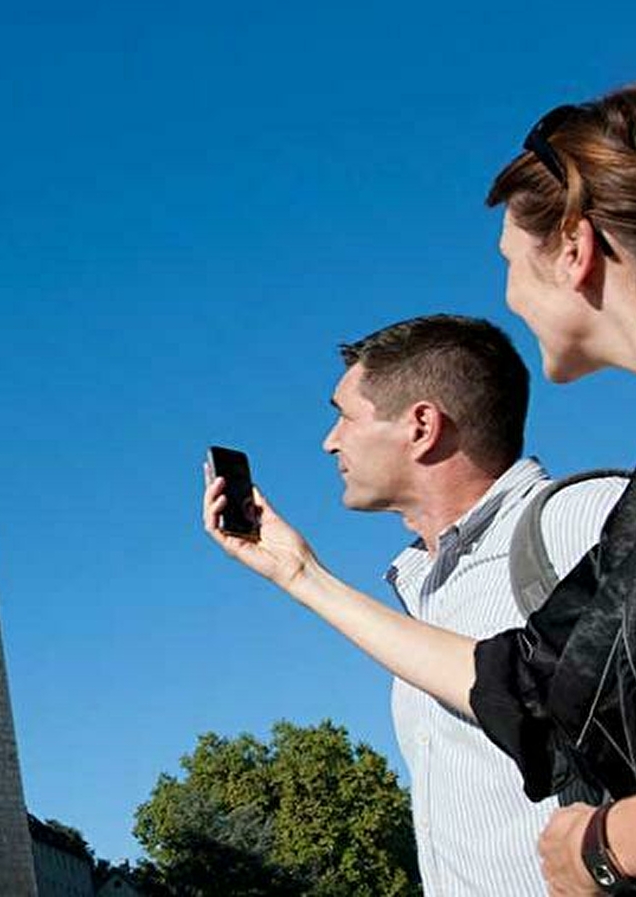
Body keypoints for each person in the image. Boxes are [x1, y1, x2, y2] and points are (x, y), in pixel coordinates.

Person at [205, 85, 636, 896]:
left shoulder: (587, 519)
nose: (328, 441)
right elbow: (512, 687)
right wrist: (299, 574)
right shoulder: (420, 585)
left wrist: (606, 848)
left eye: (509, 262)